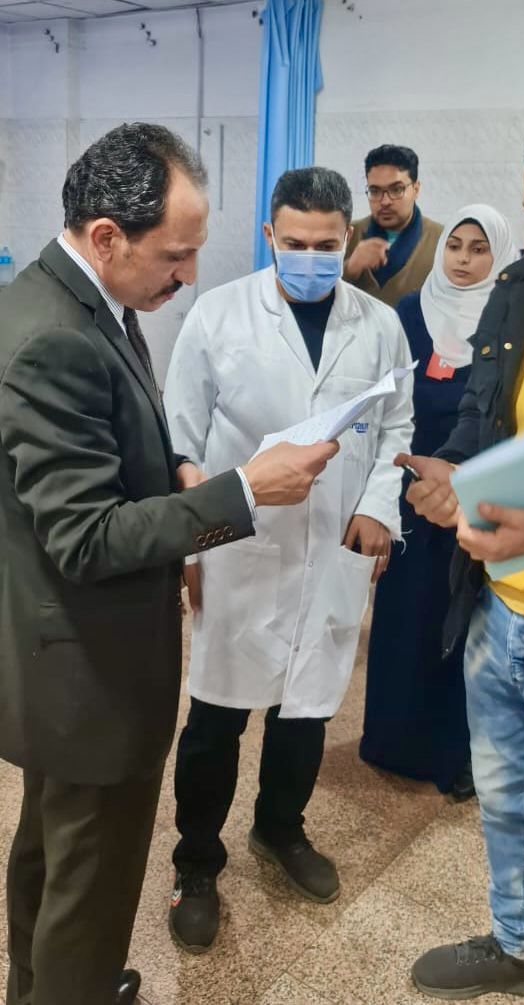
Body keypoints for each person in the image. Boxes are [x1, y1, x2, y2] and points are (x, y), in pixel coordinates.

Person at [0, 122, 337, 1005]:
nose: (186, 275)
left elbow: (94, 463)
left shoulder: (68, 300)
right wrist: (241, 492)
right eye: (175, 255)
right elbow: (85, 536)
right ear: (107, 235)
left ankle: (43, 986)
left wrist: (171, 472)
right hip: (89, 667)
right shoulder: (56, 337)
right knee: (90, 882)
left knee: (52, 855)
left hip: (60, 656)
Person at [163, 165, 414, 954]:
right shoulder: (219, 313)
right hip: (239, 548)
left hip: (330, 544)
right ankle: (196, 862)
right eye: (295, 243)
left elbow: (396, 426)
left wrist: (377, 508)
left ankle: (280, 826)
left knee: (305, 707)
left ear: (348, 239)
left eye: (326, 245)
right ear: (270, 235)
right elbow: (180, 432)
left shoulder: (378, 325)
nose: (310, 257)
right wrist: (190, 533)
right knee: (215, 716)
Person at [400, 111, 524, 1004]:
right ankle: (520, 948)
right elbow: (484, 416)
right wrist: (454, 472)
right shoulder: (520, 289)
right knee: (505, 800)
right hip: (496, 608)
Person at [361, 205, 519, 799]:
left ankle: (456, 753)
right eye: (455, 245)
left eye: (480, 249)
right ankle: (391, 741)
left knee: (462, 622)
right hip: (409, 485)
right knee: (405, 615)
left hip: (474, 491)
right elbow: (385, 400)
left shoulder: (508, 318)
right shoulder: (409, 311)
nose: (463, 259)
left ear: (498, 255)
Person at [343, 144, 442, 307]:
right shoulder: (347, 235)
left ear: (416, 189)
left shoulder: (442, 240)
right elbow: (315, 296)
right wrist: (349, 269)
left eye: (396, 190)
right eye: (375, 191)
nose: (385, 201)